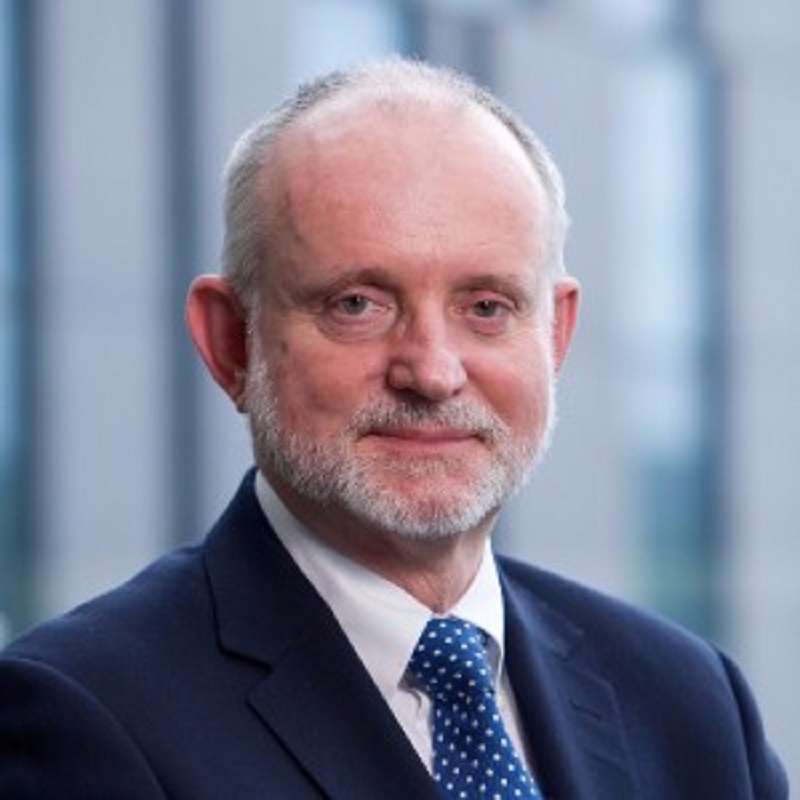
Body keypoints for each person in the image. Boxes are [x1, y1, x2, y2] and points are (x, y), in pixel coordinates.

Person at [0, 57, 787, 799]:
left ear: (554, 336)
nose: (432, 371)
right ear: (231, 341)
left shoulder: (690, 700)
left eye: (487, 307)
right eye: (358, 305)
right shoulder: (79, 716)